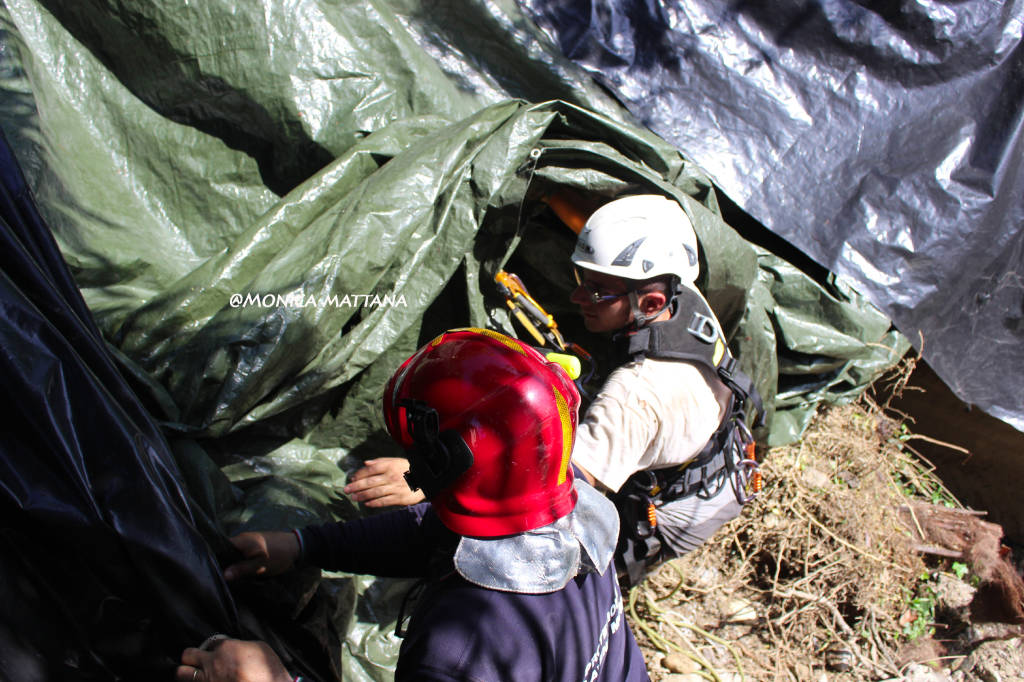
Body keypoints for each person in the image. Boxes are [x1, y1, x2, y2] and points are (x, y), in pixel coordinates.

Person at [177, 328, 649, 682]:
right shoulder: (571, 518)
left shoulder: (459, 653)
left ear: (443, 463)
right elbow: (434, 530)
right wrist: (303, 545)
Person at [344, 194, 761, 584]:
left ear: (650, 303)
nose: (577, 295)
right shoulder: (681, 295)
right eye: (582, 278)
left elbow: (549, 488)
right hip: (710, 443)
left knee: (578, 570)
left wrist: (426, 477)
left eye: (597, 289)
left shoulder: (634, 399)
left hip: (676, 511)